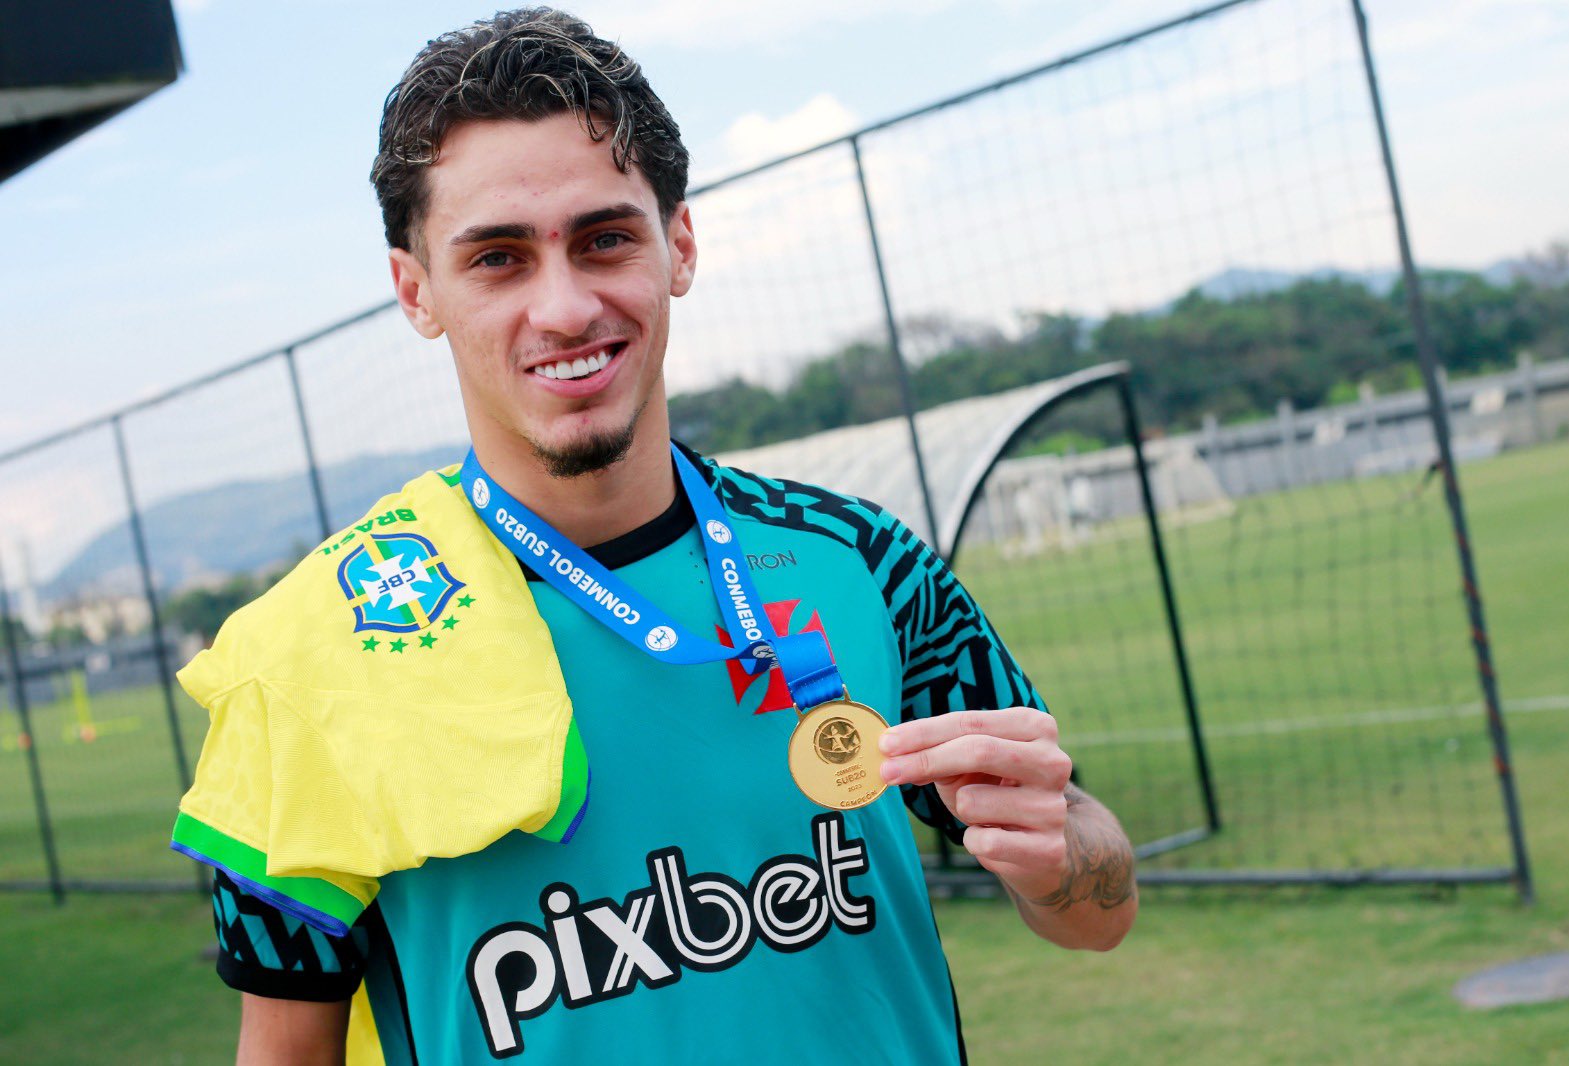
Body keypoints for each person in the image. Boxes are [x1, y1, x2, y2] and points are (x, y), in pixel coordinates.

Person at [170, 8, 1137, 1064]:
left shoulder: (861, 560)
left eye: (604, 239)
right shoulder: (301, 666)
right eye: (498, 258)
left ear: (678, 245)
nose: (564, 307)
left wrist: (1060, 859)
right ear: (417, 291)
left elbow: (1100, 907)